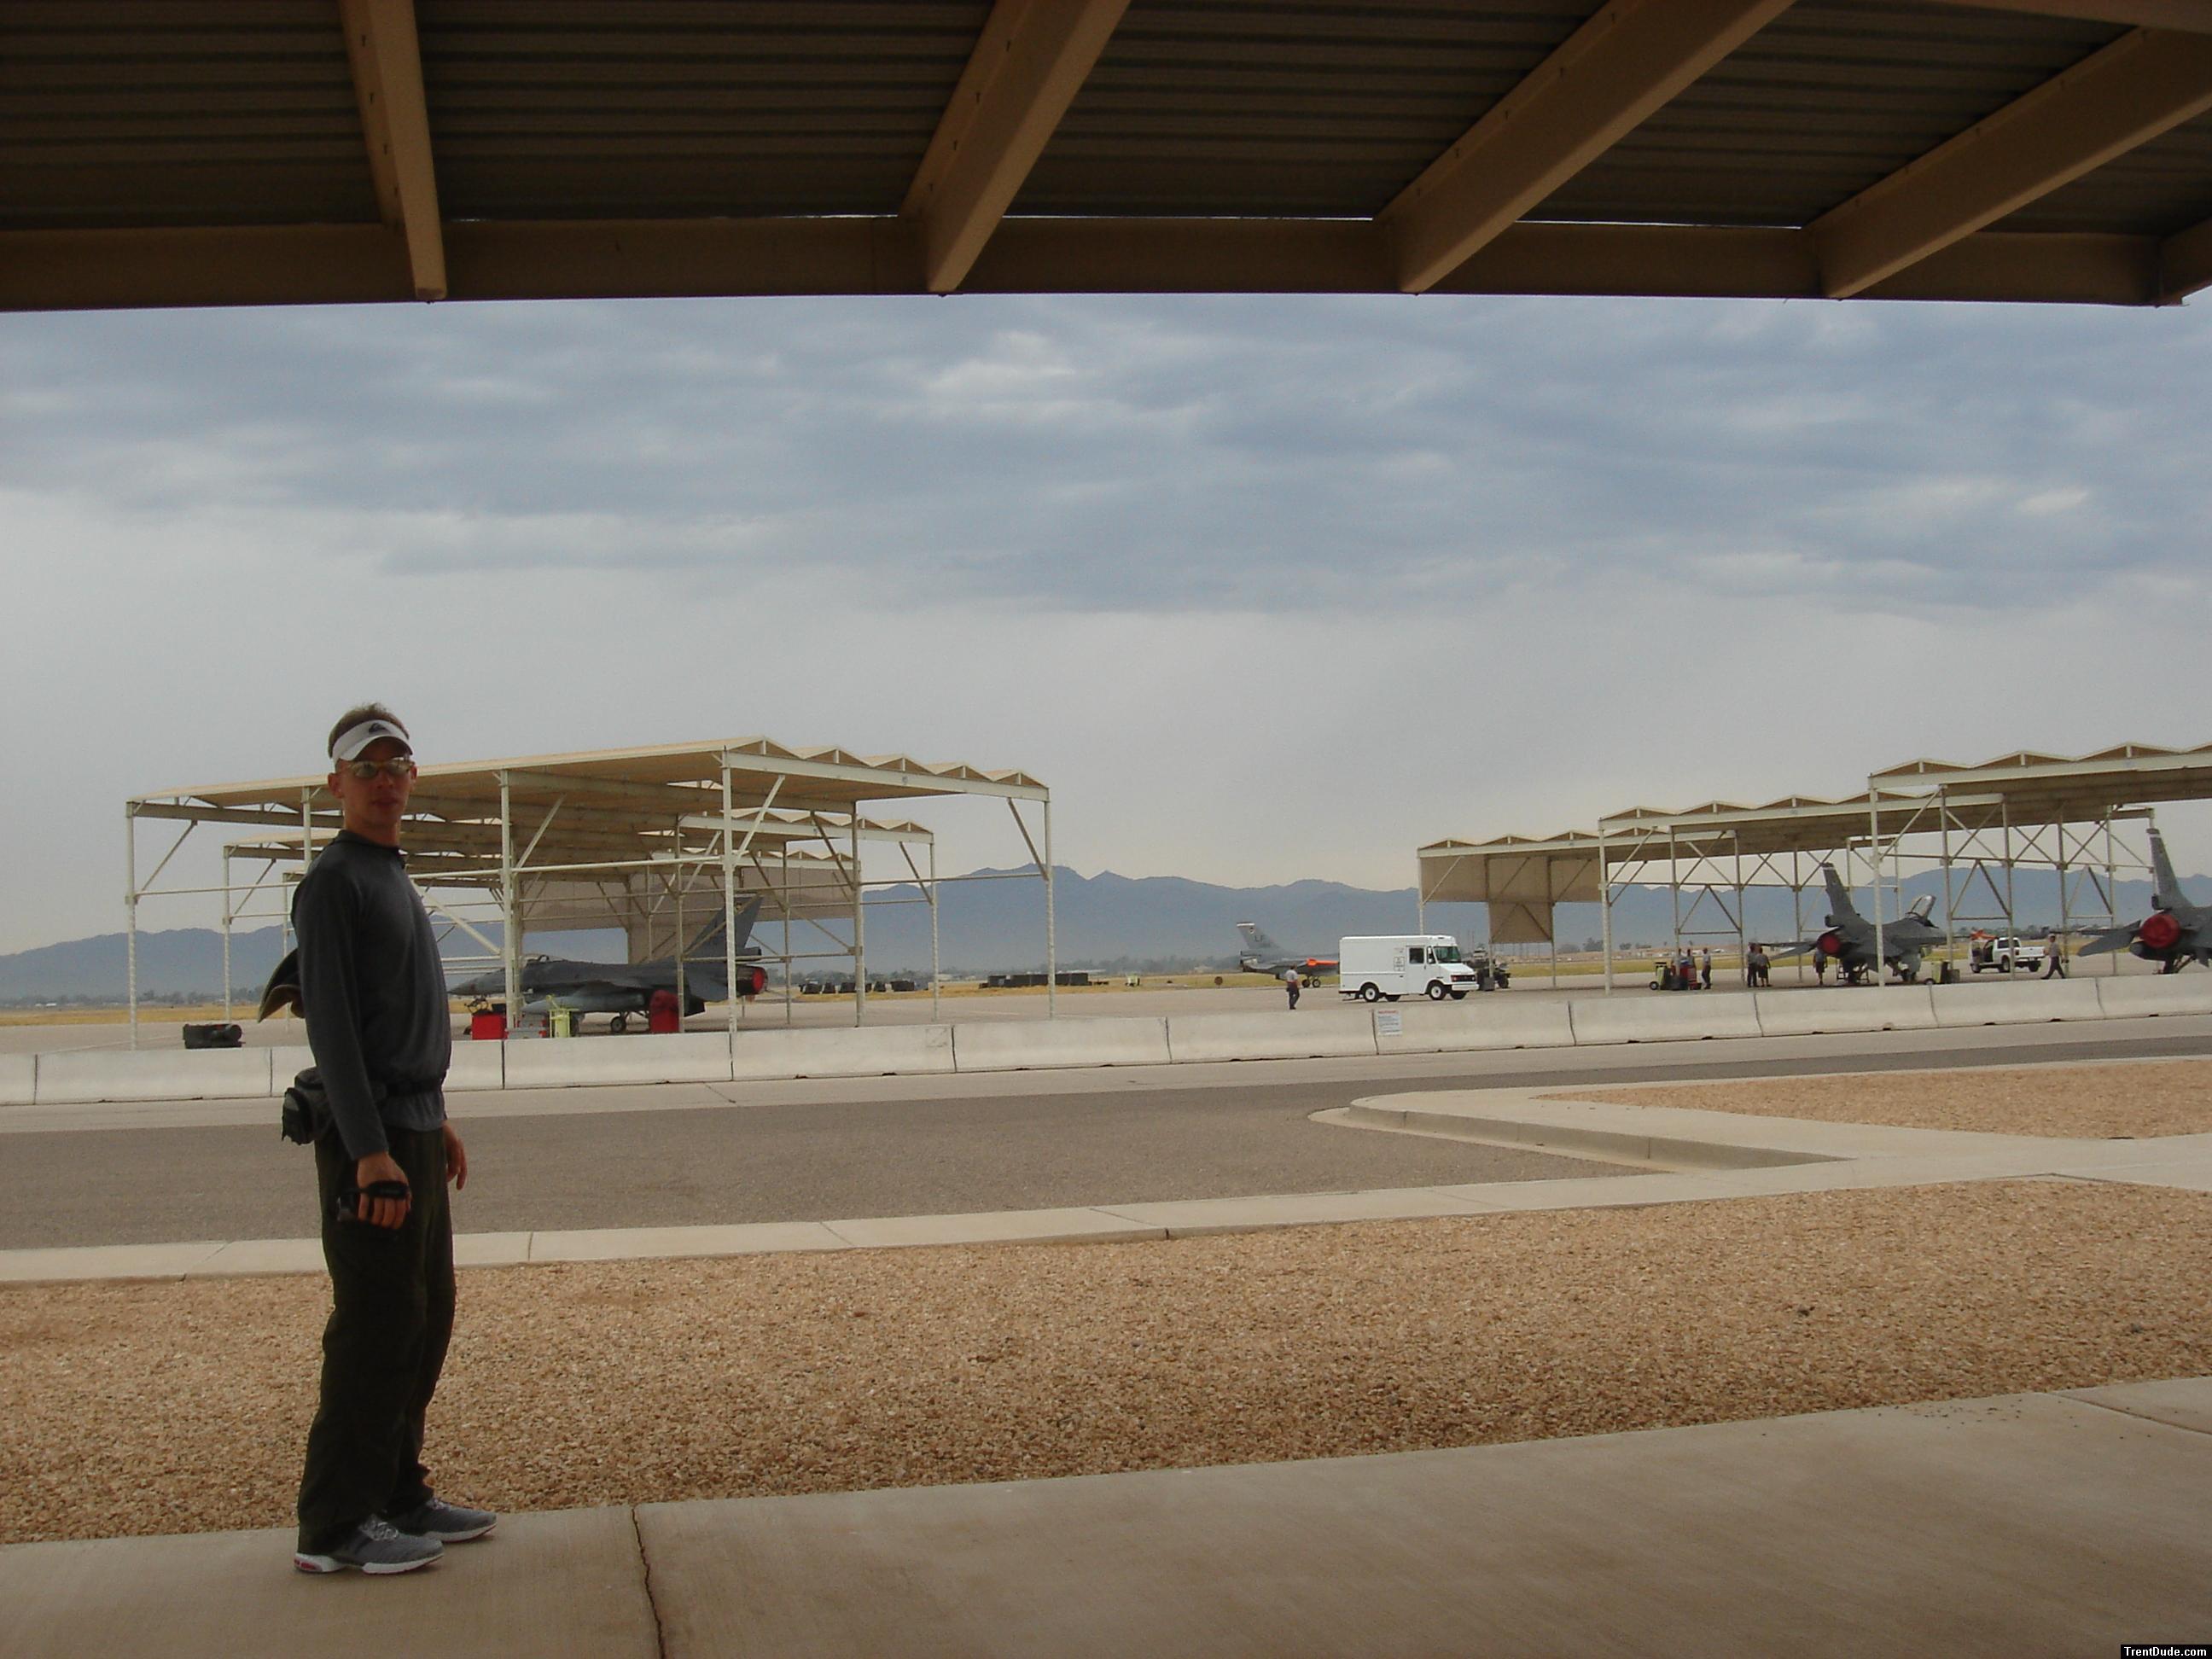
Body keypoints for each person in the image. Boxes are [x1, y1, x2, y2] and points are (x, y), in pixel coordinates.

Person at [291, 705, 494, 1577]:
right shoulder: (333, 882)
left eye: (397, 765)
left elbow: (395, 1020)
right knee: (375, 1325)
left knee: (425, 1316)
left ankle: (398, 1490)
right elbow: (333, 1029)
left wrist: (432, 1114)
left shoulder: (390, 874)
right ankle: (336, 1525)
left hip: (411, 1124)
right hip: (369, 1139)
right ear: (336, 783)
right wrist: (371, 1149)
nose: (385, 781)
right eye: (367, 768)